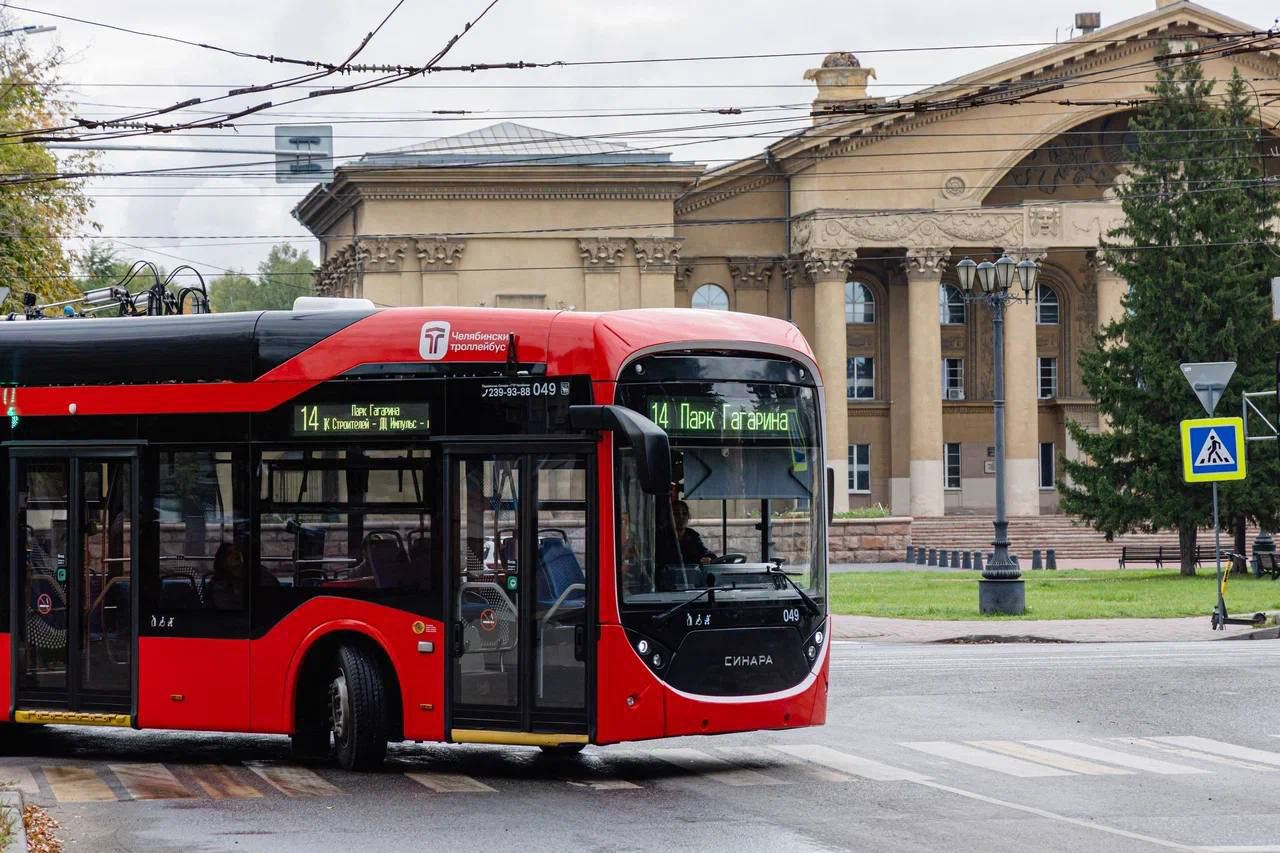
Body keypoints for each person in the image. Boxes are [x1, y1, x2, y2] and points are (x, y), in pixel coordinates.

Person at [656, 500, 716, 568]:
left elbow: (705, 552)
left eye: (684, 513)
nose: (681, 517)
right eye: (676, 514)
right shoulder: (661, 536)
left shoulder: (692, 535)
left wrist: (708, 558)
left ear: (688, 517)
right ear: (668, 517)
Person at [206, 542, 245, 610]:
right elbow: (227, 608)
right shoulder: (219, 585)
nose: (236, 555)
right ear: (223, 560)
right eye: (230, 553)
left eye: (236, 552)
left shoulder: (244, 578)